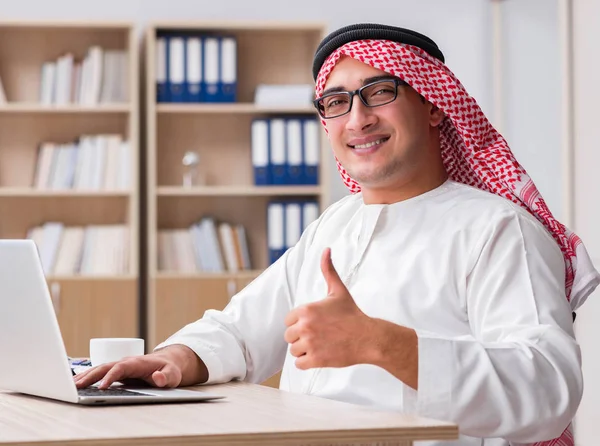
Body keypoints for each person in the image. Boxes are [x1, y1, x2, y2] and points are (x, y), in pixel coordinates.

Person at [75, 23, 599, 446]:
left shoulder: (499, 229)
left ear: (436, 105)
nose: (358, 118)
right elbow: (241, 328)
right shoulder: (334, 224)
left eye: (379, 92)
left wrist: (384, 344)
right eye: (337, 102)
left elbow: (549, 389)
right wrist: (175, 360)